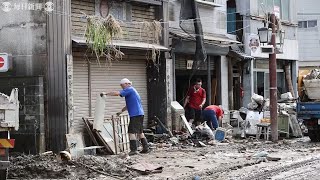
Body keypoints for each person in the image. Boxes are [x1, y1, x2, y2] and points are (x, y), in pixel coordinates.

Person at [106, 78, 150, 155]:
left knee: (131, 132)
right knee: (140, 132)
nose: (121, 87)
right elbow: (129, 105)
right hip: (140, 114)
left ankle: (134, 150)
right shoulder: (133, 91)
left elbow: (117, 93)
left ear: (126, 84)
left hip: (135, 114)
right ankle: (146, 148)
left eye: (122, 85)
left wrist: (106, 93)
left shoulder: (129, 89)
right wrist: (121, 111)